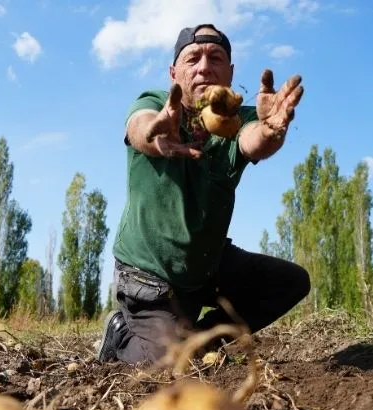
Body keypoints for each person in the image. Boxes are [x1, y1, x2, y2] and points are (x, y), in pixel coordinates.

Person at [95, 23, 310, 365]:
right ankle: (121, 334)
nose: (204, 67)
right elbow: (140, 126)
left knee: (290, 282)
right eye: (193, 58)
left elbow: (253, 138)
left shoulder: (237, 119)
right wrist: (155, 135)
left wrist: (271, 131)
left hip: (205, 265)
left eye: (216, 58)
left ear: (230, 72)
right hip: (150, 275)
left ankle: (199, 343)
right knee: (164, 367)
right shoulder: (155, 104)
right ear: (174, 72)